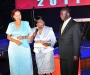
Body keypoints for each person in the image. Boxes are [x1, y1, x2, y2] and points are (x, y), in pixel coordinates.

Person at [6, 9, 33, 75]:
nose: (19, 17)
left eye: (19, 15)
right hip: (14, 48)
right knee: (15, 65)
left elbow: (30, 34)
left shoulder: (26, 23)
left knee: (26, 64)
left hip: (24, 47)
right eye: (16, 15)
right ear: (13, 17)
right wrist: (15, 41)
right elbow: (8, 37)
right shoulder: (11, 25)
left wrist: (23, 37)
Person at [59, 7, 81, 75]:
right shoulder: (61, 25)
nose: (60, 16)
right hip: (62, 55)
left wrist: (75, 54)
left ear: (68, 14)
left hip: (71, 56)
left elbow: (77, 40)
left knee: (72, 73)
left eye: (62, 14)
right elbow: (62, 39)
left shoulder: (75, 25)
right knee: (64, 73)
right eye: (60, 14)